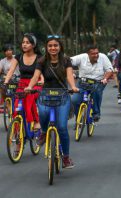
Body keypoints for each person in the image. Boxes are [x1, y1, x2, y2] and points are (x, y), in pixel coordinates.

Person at [25, 35, 79, 169]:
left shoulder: (66, 60)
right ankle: (43, 132)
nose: (53, 48)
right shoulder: (42, 61)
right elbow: (36, 76)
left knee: (62, 128)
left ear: (60, 47)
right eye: (50, 46)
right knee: (43, 116)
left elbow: (69, 76)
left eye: (55, 45)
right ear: (46, 48)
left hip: (63, 97)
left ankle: (66, 157)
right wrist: (30, 87)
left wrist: (73, 87)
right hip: (45, 96)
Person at [4, 33, 43, 131]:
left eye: (27, 43)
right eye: (23, 42)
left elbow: (40, 74)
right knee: (17, 106)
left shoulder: (39, 57)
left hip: (35, 84)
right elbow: (11, 70)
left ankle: (36, 121)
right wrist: (5, 82)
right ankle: (17, 133)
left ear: (33, 45)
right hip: (22, 84)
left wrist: (41, 81)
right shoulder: (18, 57)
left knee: (29, 97)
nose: (24, 45)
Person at [71, 44, 113, 122]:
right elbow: (67, 62)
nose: (96, 55)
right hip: (82, 82)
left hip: (98, 82)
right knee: (74, 100)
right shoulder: (82, 57)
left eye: (97, 53)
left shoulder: (103, 57)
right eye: (93, 53)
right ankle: (78, 117)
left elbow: (110, 70)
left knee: (97, 92)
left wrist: (105, 78)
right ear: (88, 54)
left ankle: (96, 113)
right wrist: (71, 72)